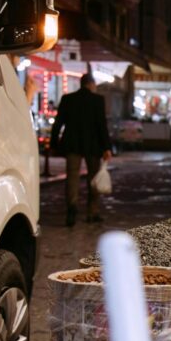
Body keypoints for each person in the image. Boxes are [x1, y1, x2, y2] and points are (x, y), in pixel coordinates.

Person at [51, 73, 112, 227]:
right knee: (94, 178)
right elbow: (101, 126)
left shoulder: (68, 99)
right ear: (91, 84)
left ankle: (71, 211)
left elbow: (58, 124)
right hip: (93, 146)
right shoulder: (97, 100)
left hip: (72, 144)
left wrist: (53, 144)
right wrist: (107, 147)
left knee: (72, 178)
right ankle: (92, 212)